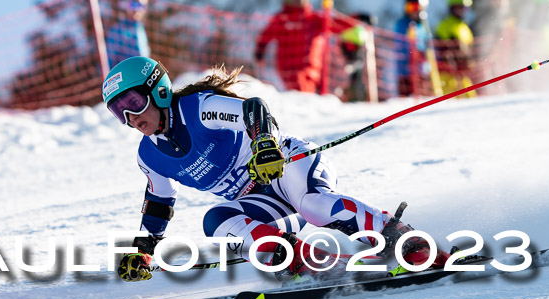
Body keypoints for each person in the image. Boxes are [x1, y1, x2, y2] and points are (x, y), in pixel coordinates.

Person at [102, 56, 450, 283]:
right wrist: (145, 248)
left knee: (313, 206)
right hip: (262, 203)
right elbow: (159, 201)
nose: (132, 118)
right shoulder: (150, 156)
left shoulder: (199, 108)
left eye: (134, 103)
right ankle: (299, 259)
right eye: (120, 112)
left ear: (159, 90)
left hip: (287, 167)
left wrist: (264, 144)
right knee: (216, 221)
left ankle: (407, 243)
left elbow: (253, 109)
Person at [254, 0, 353, 93]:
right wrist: (260, 51)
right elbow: (265, 36)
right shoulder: (281, 19)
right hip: (286, 68)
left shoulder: (312, 19)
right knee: (296, 95)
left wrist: (355, 26)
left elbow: (336, 25)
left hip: (307, 68)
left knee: (302, 94)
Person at [434, 0, 477, 96]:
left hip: (463, 75)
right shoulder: (444, 26)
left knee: (471, 99)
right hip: (448, 76)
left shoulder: (465, 27)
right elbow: (441, 50)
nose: (462, 11)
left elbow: (469, 50)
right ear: (452, 8)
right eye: (459, 7)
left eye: (464, 8)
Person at [394, 0, 430, 96]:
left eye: (416, 7)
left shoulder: (422, 26)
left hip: (421, 69)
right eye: (410, 7)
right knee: (406, 95)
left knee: (423, 93)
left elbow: (428, 45)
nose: (413, 11)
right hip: (405, 70)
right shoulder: (402, 24)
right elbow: (400, 44)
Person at [107, 0, 150, 67]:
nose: (136, 9)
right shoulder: (117, 30)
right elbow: (109, 59)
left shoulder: (140, 28)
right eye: (133, 4)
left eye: (141, 6)